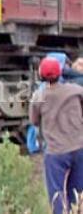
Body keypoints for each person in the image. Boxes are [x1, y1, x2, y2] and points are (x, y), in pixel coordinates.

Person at [30, 57, 83, 214]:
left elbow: (33, 121)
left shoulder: (39, 96)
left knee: (57, 195)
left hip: (56, 152)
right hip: (79, 147)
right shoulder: (76, 90)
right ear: (60, 72)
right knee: (78, 191)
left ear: (41, 75)